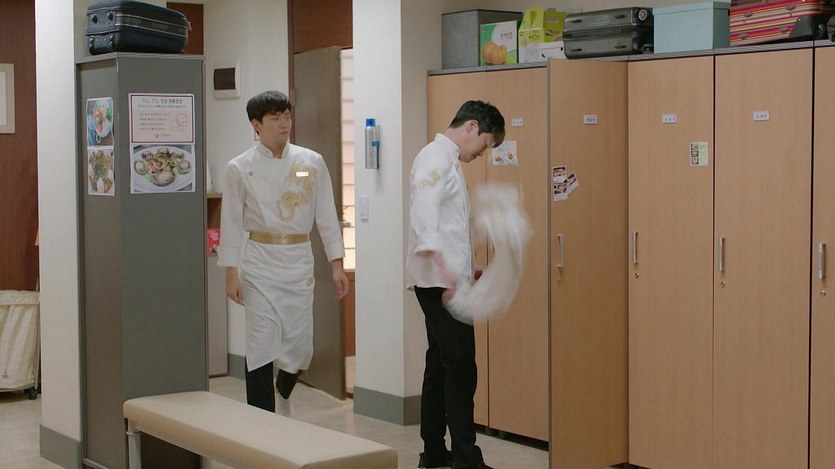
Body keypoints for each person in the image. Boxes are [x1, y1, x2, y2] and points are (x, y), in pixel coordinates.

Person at [217, 90, 349, 417]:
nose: (283, 124)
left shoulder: (311, 162)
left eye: (286, 116)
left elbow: (326, 216)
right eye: (275, 118)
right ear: (256, 125)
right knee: (260, 346)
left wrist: (337, 264)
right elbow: (230, 221)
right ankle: (260, 423)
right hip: (259, 263)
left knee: (301, 349)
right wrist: (231, 272)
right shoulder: (239, 167)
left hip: (298, 261)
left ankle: (283, 390)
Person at [406, 100, 505, 469]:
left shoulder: (447, 161)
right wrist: (448, 274)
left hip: (445, 279)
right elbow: (425, 219)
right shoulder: (435, 158)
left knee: (440, 364)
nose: (481, 153)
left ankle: (433, 451)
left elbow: (449, 226)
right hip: (440, 284)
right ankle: (466, 457)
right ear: (472, 126)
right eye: (485, 144)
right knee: (462, 369)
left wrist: (467, 267)